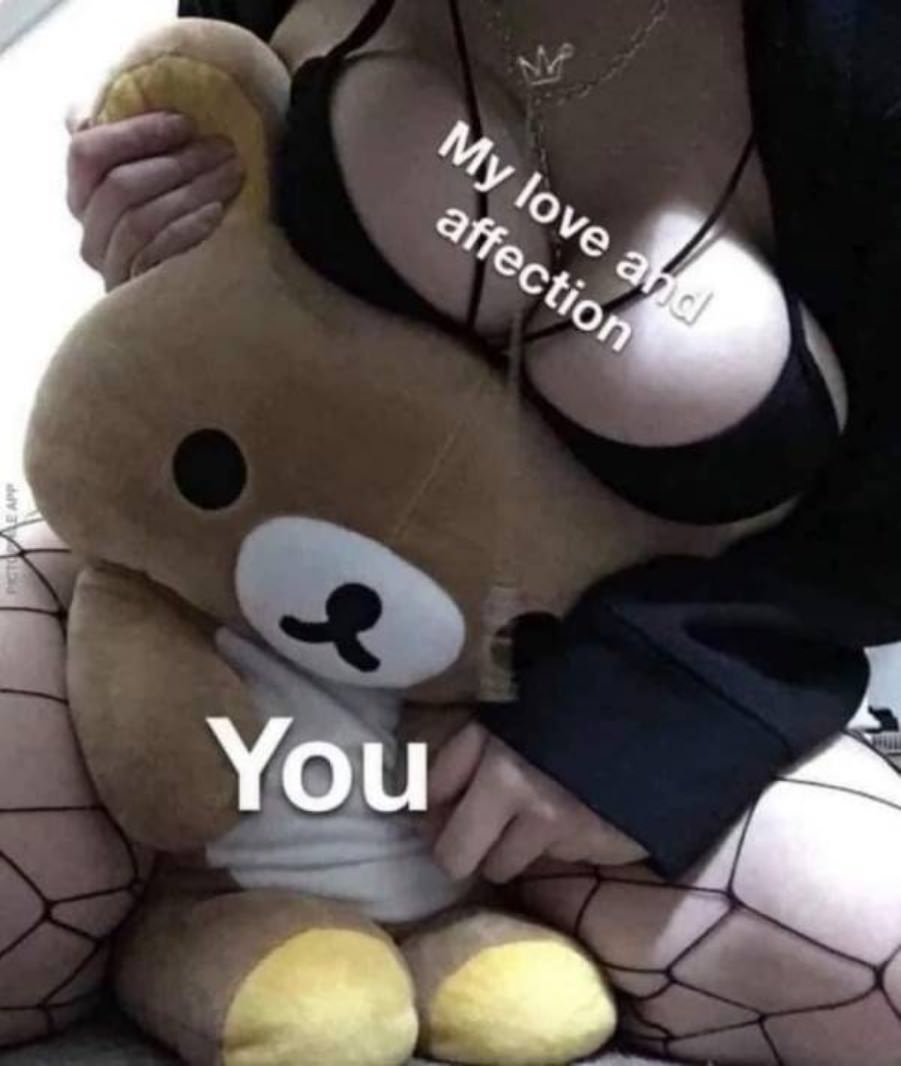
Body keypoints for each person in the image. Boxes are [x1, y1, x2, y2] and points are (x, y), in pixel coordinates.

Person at [67, 0, 900, 904]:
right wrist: (153, 222)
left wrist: (654, 700)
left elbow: (875, 538)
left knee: (866, 953)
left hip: (609, 673)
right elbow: (228, 200)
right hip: (216, 555)